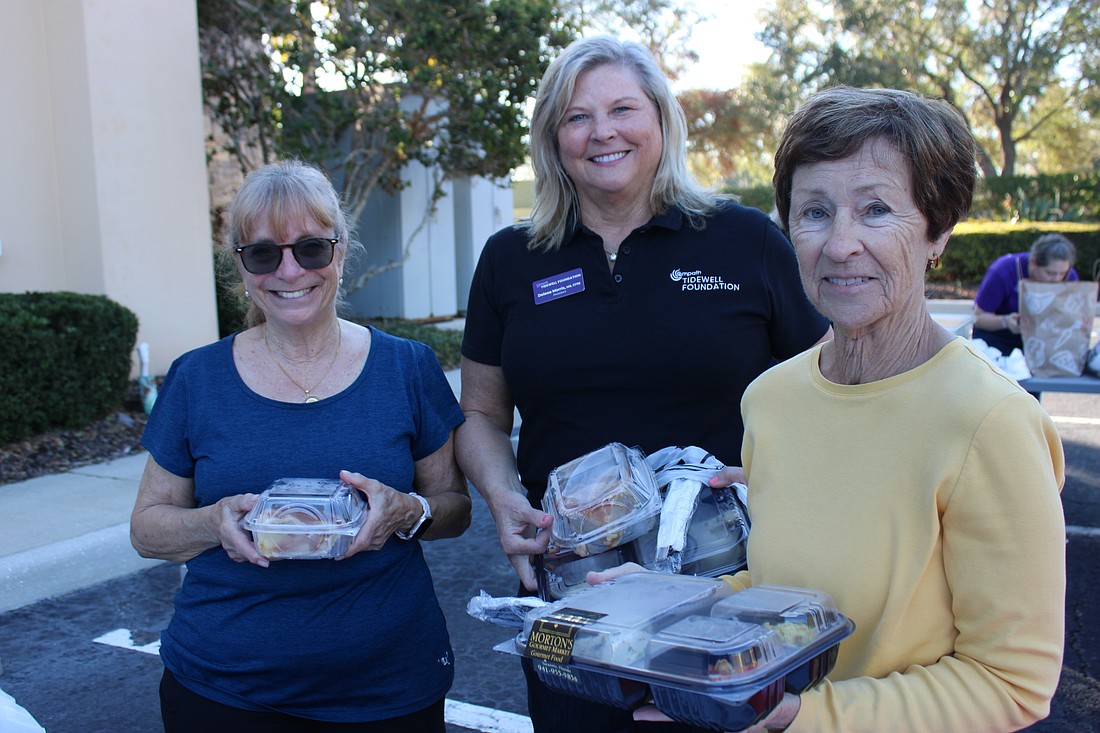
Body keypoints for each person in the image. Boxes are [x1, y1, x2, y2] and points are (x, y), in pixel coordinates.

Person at [615, 86, 1066, 732]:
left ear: (938, 231)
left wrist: (803, 716)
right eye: (815, 212)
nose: (840, 243)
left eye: (876, 210)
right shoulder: (771, 400)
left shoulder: (990, 423)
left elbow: (1010, 681)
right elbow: (782, 591)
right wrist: (660, 602)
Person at [455, 35, 831, 733]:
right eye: (576, 117)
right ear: (553, 138)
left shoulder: (744, 242)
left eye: (623, 109)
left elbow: (830, 388)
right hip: (571, 582)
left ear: (661, 120)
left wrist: (778, 480)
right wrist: (504, 496)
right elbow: (479, 411)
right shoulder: (511, 259)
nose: (602, 132)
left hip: (724, 583)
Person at [129, 160, 471, 732]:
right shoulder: (196, 379)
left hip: (389, 688)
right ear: (240, 266)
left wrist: (407, 512)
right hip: (224, 692)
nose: (289, 270)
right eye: (264, 253)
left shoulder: (406, 367)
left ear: (339, 252)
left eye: (310, 248)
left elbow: (454, 509)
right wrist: (213, 522)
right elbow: (146, 528)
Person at [972, 233, 1079, 355]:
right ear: (1033, 262)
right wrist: (1005, 321)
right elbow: (978, 318)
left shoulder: (1069, 276)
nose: (1057, 279)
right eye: (1050, 273)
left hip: (1044, 341)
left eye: (1062, 274)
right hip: (1000, 338)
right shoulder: (1002, 272)